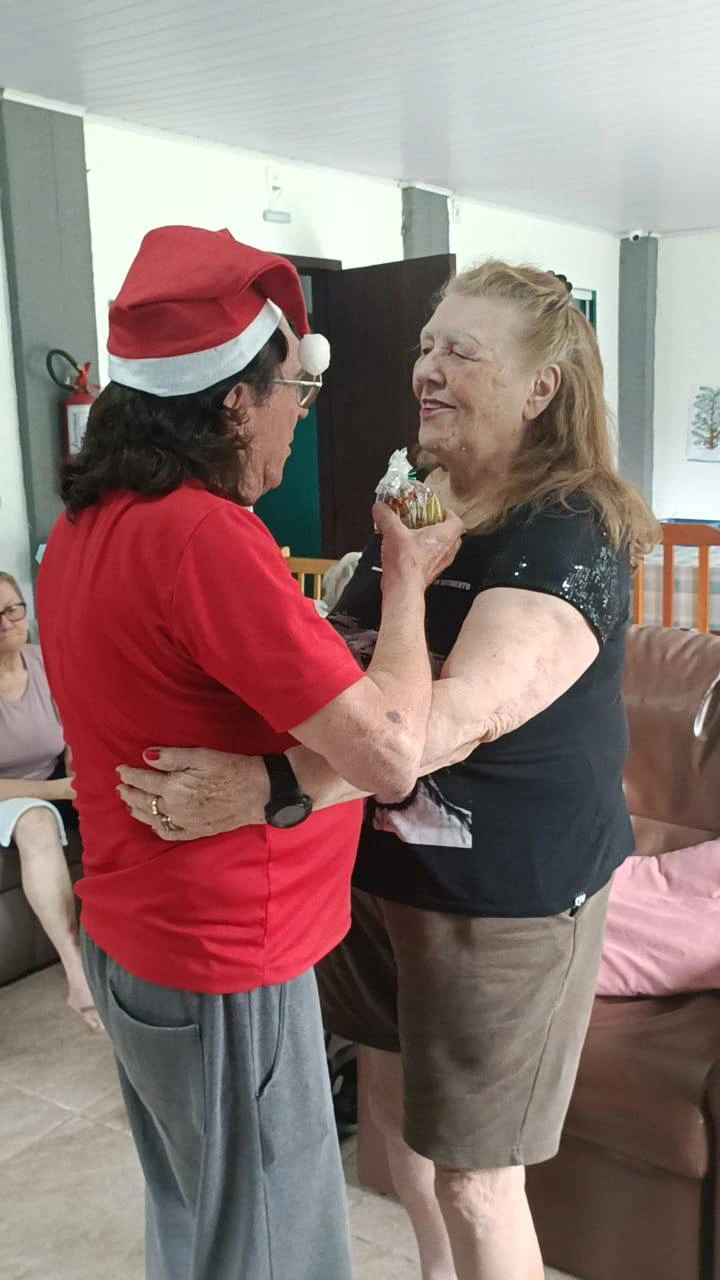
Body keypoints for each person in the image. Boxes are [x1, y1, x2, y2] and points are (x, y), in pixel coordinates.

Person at [118, 260, 660, 1280]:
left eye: (461, 352)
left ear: (540, 387)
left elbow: (447, 722)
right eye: (425, 346)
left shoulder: (571, 527)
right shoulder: (418, 492)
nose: (427, 370)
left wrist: (272, 787)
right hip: (375, 878)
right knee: (398, 1130)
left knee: (477, 1183)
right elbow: (350, 665)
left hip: (502, 898)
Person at [36, 225, 462, 1280]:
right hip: (224, 962)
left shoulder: (86, 525)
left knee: (204, 1228)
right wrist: (408, 578)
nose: (297, 419)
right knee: (273, 1251)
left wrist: (275, 769)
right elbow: (392, 753)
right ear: (234, 401)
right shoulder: (203, 537)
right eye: (294, 395)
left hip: (140, 940)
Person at [0, 571, 101, 1031]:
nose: (7, 622)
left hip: (50, 781)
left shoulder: (44, 662)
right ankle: (77, 972)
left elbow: (73, 734)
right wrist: (57, 792)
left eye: (13, 609)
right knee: (37, 820)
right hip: (13, 795)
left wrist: (81, 779)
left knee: (115, 801)